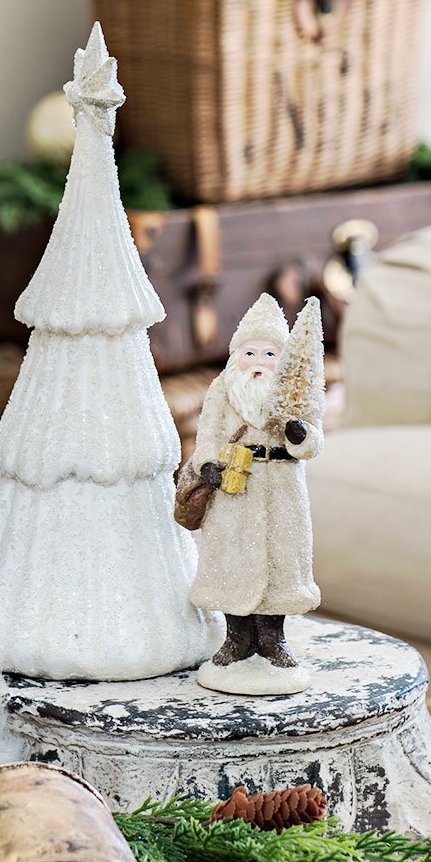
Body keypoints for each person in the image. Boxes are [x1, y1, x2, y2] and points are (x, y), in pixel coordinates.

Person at [177, 295, 323, 693]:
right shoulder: (223, 390)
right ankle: (236, 638)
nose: (259, 361)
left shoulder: (294, 393)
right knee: (232, 559)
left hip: (281, 491)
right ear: (236, 354)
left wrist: (299, 434)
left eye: (270, 353)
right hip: (235, 488)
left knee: (281, 561)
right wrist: (207, 462)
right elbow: (206, 433)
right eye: (250, 352)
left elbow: (313, 439)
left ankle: (273, 638)